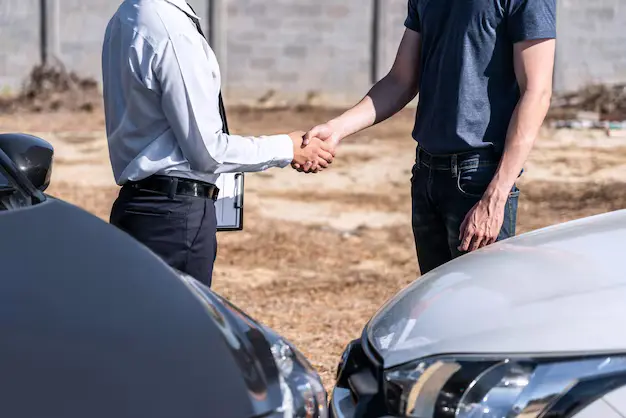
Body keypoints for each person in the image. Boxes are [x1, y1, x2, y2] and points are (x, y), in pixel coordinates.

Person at [301, 0, 557, 274]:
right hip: (426, 173)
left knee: (480, 306)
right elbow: (401, 80)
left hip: (479, 177)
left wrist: (495, 196)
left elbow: (537, 92)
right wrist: (337, 128)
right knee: (438, 304)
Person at [101, 0, 333, 287]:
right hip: (173, 217)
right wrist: (287, 148)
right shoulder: (171, 29)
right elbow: (208, 152)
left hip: (141, 206)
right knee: (180, 328)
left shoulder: (128, 14)